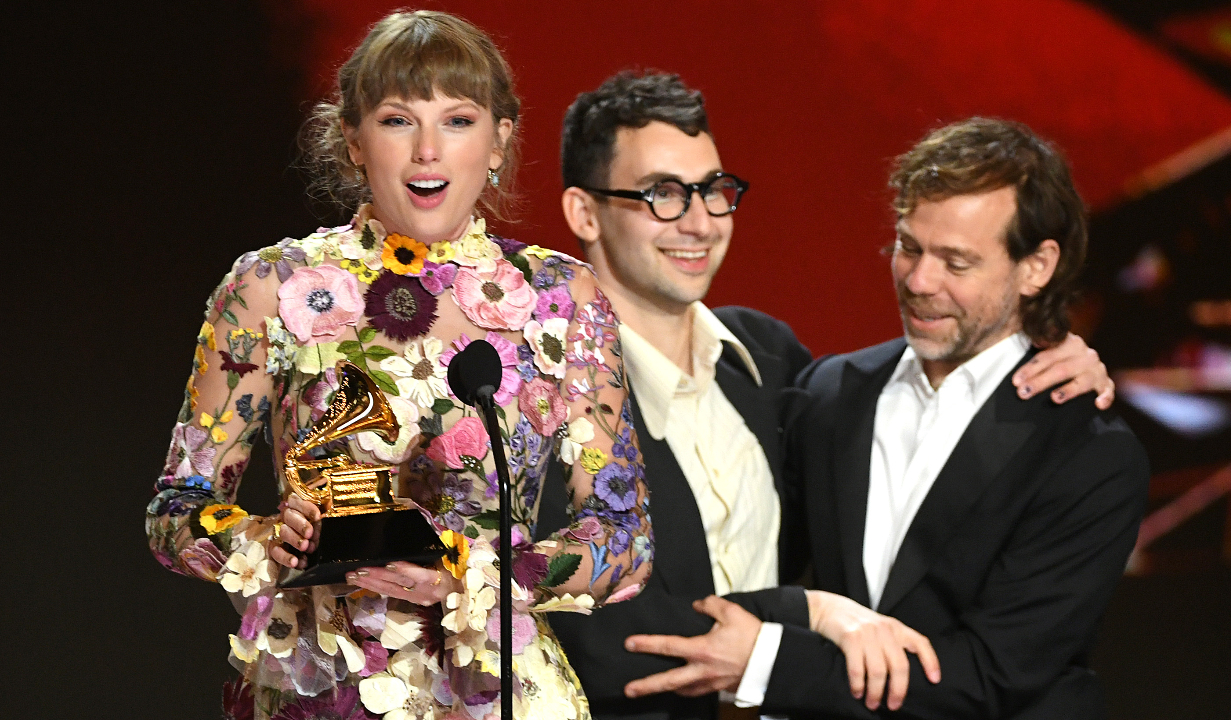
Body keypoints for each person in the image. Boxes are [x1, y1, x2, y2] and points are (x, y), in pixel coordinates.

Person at [537, 73, 1120, 720]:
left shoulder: (769, 364)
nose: (700, 222)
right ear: (584, 213)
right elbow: (580, 624)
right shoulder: (538, 394)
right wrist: (811, 613)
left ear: (1035, 267)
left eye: (714, 191)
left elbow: (1001, 671)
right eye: (663, 194)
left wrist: (1048, 346)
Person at [145, 11, 652, 720]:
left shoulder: (563, 298)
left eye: (457, 120)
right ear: (352, 139)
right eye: (396, 121)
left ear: (500, 139)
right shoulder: (269, 288)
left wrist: (488, 576)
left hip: (500, 695)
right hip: (320, 690)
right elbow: (176, 512)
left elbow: (624, 534)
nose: (426, 152)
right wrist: (264, 538)